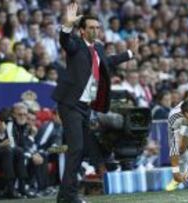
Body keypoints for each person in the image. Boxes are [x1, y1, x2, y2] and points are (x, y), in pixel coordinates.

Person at [51, 3, 138, 203]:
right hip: (70, 104)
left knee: (80, 150)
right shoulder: (75, 43)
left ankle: (64, 195)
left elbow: (109, 62)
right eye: (91, 27)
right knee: (76, 149)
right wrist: (66, 26)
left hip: (85, 106)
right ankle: (70, 196)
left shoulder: (98, 47)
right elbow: (65, 41)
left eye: (97, 27)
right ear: (82, 30)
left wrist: (130, 54)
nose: (95, 30)